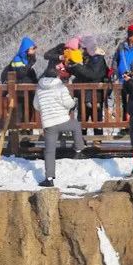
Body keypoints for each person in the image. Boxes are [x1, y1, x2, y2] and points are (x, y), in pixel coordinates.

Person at [33, 54, 85, 188]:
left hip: (49, 124)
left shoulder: (39, 89)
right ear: (56, 76)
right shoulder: (60, 87)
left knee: (49, 151)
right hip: (63, 121)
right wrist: (73, 104)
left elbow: (36, 106)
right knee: (76, 125)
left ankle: (49, 179)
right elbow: (68, 104)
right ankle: (79, 150)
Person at [66, 35, 110, 138]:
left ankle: (97, 142)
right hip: (85, 94)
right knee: (82, 120)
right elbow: (84, 73)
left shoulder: (97, 59)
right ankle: (81, 143)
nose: (82, 50)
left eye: (84, 48)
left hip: (95, 95)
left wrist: (77, 67)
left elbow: (92, 74)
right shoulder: (88, 58)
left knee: (96, 120)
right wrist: (71, 67)